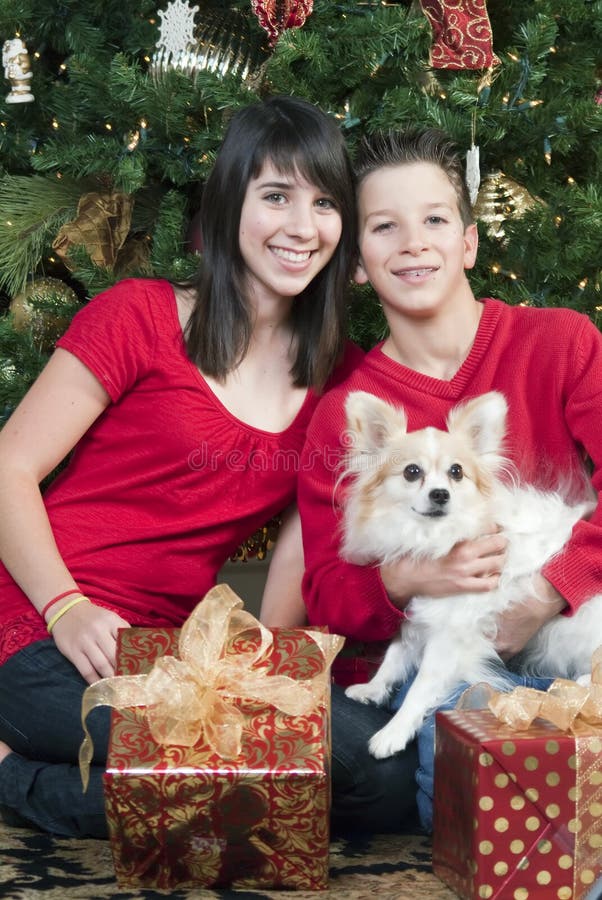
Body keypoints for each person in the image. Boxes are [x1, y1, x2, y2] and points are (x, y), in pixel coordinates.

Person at [0, 94, 364, 838]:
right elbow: (8, 466)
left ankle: (32, 768)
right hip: (36, 619)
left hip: (167, 653)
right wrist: (66, 609)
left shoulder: (340, 376)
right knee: (219, 786)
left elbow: (302, 543)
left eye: (325, 203)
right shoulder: (138, 315)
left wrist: (269, 678)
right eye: (276, 196)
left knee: (315, 775)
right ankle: (11, 775)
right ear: (231, 202)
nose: (302, 227)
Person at [287, 127, 602, 834]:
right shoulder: (348, 412)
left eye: (434, 219)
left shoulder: (561, 342)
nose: (413, 242)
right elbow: (326, 593)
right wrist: (407, 580)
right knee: (481, 814)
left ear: (467, 242)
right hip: (453, 668)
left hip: (577, 634)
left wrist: (553, 588)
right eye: (384, 227)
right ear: (359, 262)